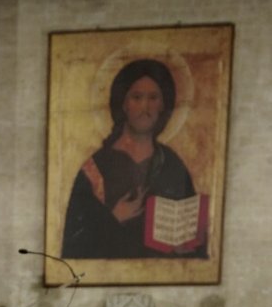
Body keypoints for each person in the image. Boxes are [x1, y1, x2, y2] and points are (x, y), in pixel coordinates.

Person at [62, 59, 203, 260]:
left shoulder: (172, 165)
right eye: (137, 97)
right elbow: (73, 247)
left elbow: (195, 249)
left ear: (163, 105)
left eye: (153, 98)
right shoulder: (95, 168)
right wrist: (113, 218)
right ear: (124, 103)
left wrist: (186, 245)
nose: (145, 107)